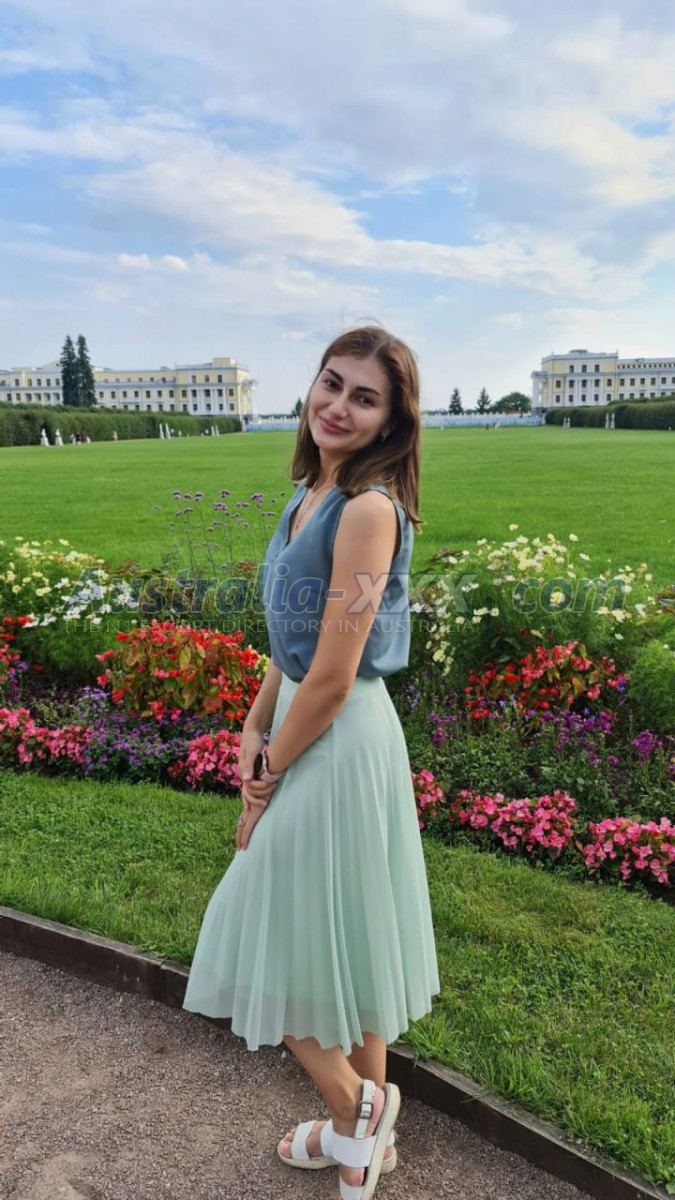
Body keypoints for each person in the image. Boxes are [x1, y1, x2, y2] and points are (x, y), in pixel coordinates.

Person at [183, 326, 440, 1200]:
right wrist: (255, 719)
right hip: (305, 719)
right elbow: (295, 645)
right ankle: (366, 1148)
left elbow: (334, 674)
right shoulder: (310, 491)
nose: (336, 405)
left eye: (363, 397)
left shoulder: (367, 510)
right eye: (331, 383)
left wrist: (266, 772)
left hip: (338, 736)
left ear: (390, 422)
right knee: (346, 944)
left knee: (252, 930)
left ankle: (357, 1109)